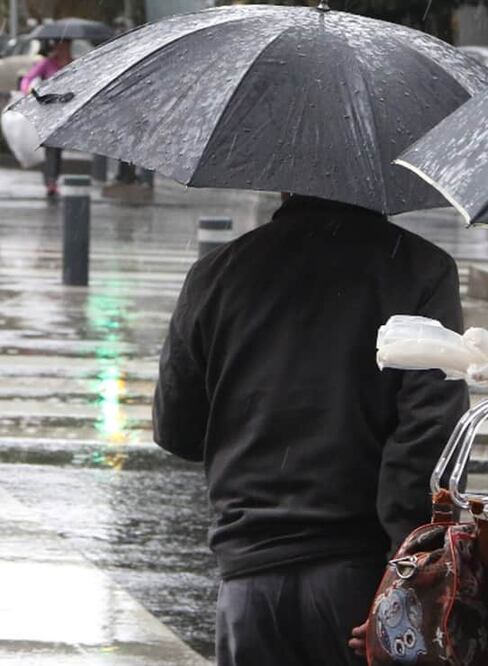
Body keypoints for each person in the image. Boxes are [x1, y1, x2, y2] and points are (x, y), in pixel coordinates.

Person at [153, 194, 469, 666]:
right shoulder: (420, 270)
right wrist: (403, 580)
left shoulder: (218, 272)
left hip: (247, 578)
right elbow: (427, 438)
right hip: (359, 578)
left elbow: (176, 429)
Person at [20, 38, 72, 199]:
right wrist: (27, 90)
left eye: (63, 45)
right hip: (49, 110)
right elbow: (27, 78)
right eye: (57, 44)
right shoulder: (47, 63)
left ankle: (53, 178)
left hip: (67, 109)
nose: (59, 48)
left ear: (68, 46)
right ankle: (51, 181)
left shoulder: (75, 63)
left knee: (57, 148)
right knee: (52, 147)